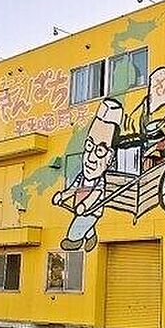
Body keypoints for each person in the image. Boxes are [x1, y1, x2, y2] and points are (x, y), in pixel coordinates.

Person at [55, 98, 122, 252]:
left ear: (110, 157)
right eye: (89, 146)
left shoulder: (100, 181)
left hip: (92, 209)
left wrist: (84, 205)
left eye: (100, 151)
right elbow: (73, 189)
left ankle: (74, 240)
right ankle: (91, 236)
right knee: (86, 225)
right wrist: (62, 196)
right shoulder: (81, 176)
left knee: (77, 227)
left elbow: (96, 194)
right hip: (81, 207)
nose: (91, 157)